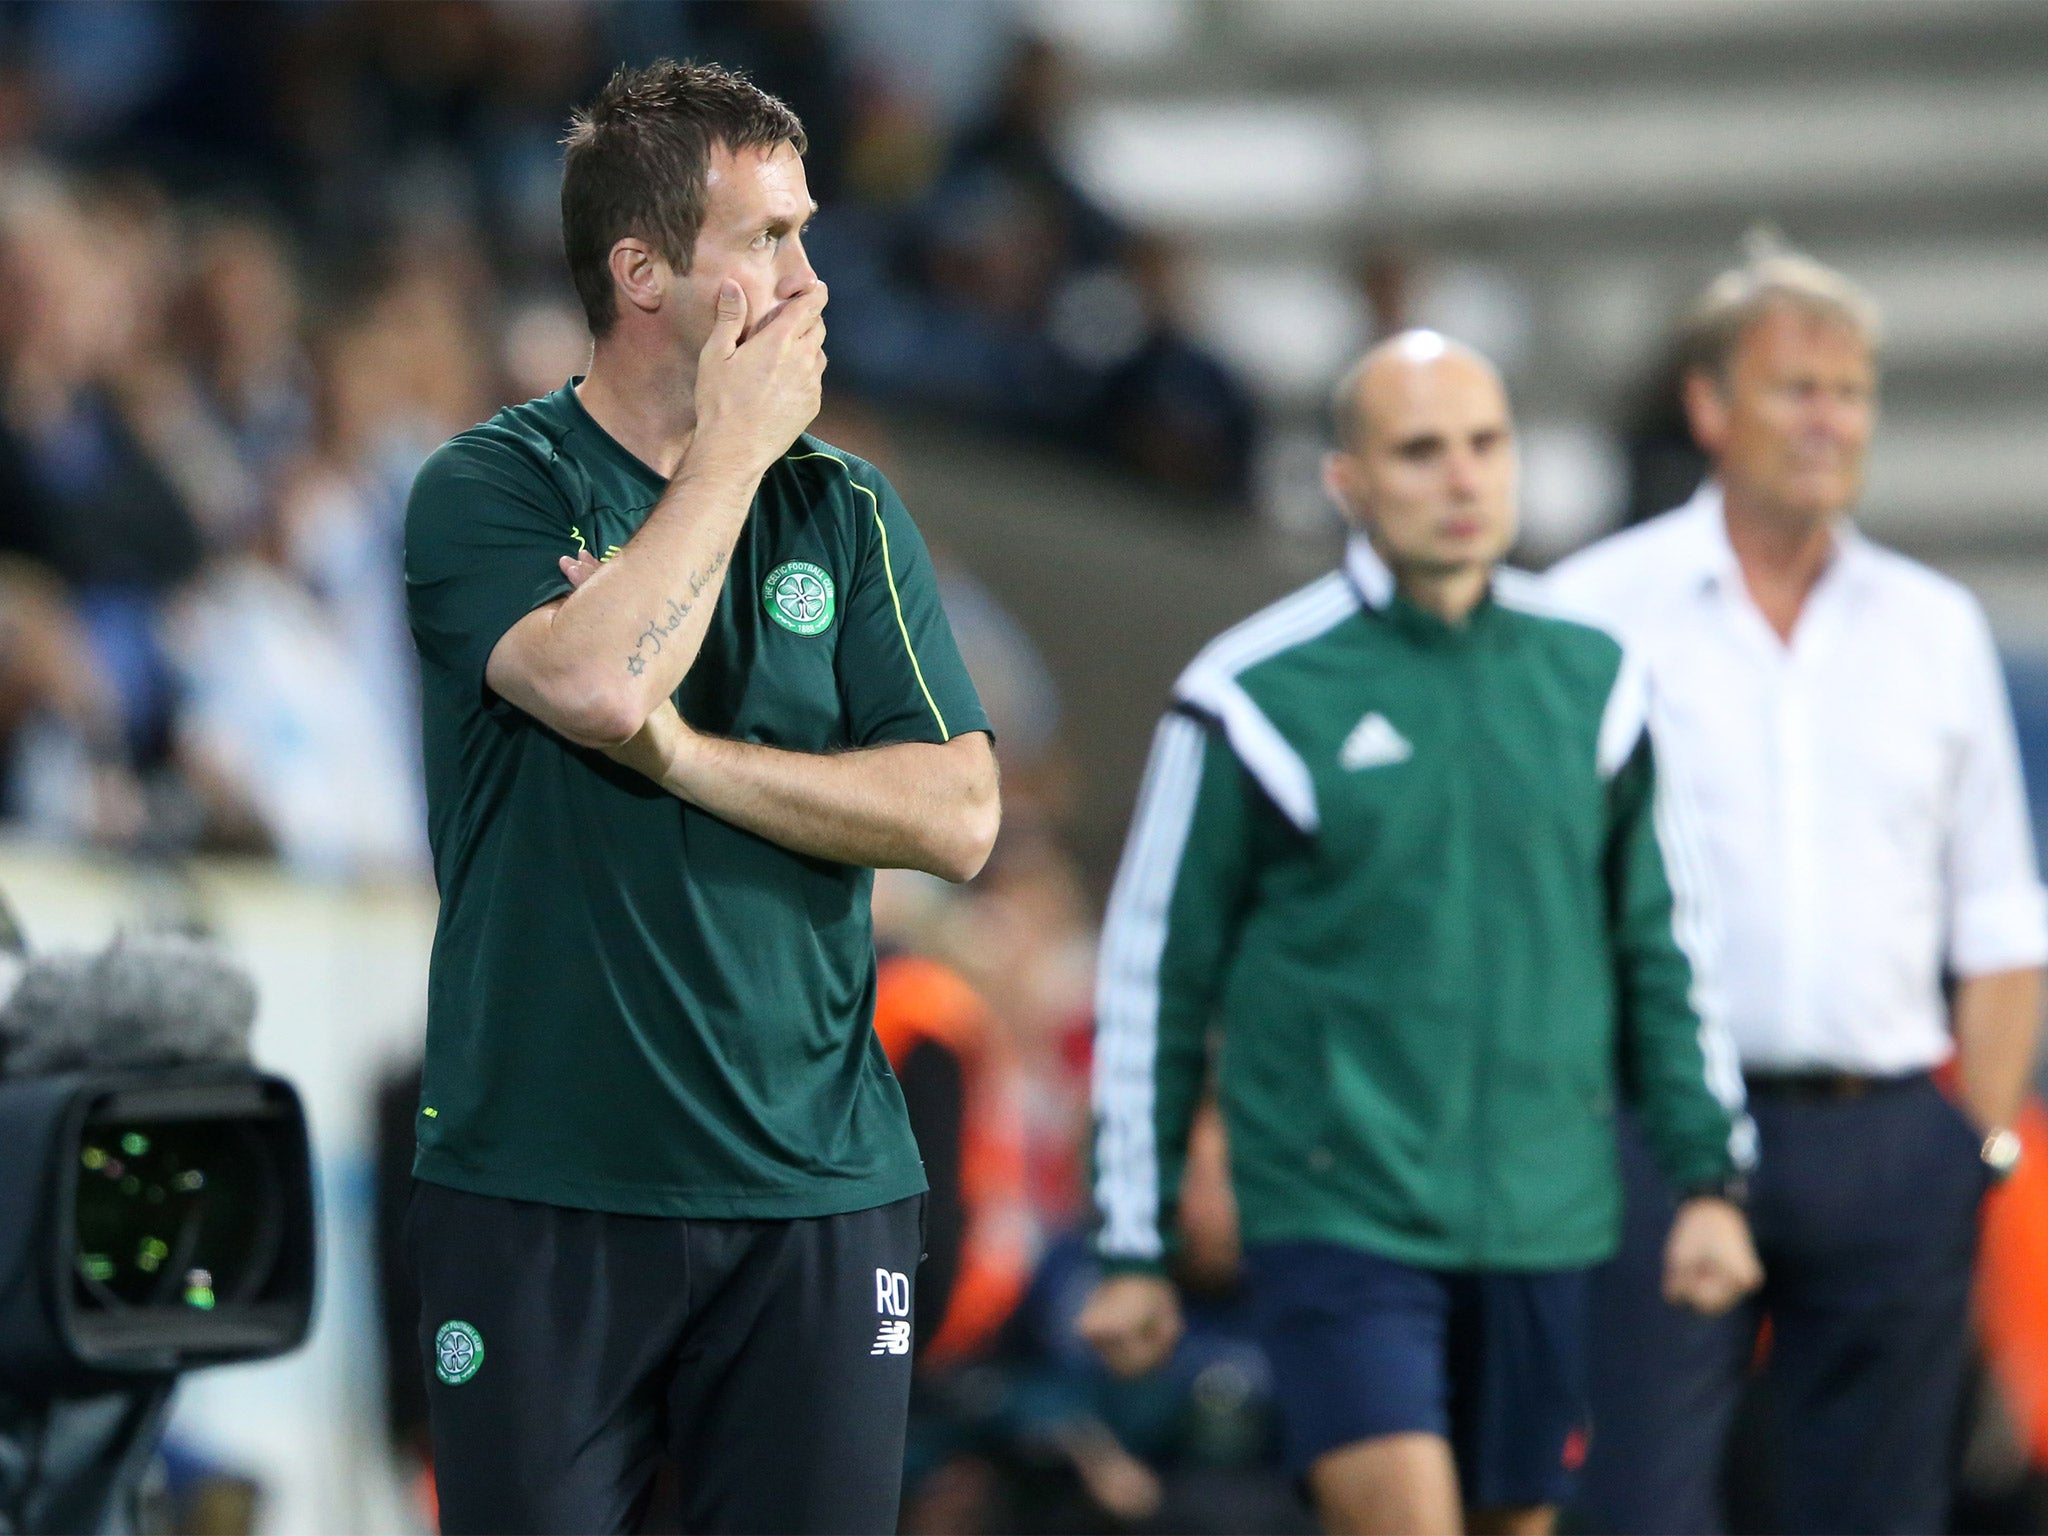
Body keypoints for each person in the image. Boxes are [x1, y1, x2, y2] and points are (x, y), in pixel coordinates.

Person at [400, 60, 999, 1535]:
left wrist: (684, 758)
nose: (808, 277)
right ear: (643, 269)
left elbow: (957, 817)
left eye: (806, 231)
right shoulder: (493, 487)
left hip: (821, 1188)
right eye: (766, 240)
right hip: (545, 1184)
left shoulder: (847, 509)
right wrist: (729, 448)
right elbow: (597, 686)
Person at [1078, 330, 1761, 1536]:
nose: (1460, 479)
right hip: (1340, 1215)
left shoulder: (1594, 678)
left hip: (1546, 1213)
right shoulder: (1248, 696)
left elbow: (1663, 944)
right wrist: (1131, 1241)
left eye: (1484, 445)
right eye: (1419, 451)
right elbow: (1152, 976)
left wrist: (1707, 1176)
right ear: (1346, 482)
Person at [1549, 254, 2048, 1536]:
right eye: (1793, 389)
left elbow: (1998, 914)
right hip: (1655, 1136)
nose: (1828, 419)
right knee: (1640, 1507)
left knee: (1877, 1514)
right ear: (1710, 409)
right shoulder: (1593, 615)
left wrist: (1971, 1148)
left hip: (1880, 1132)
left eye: (1849, 391)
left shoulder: (1931, 628)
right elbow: (1530, 892)